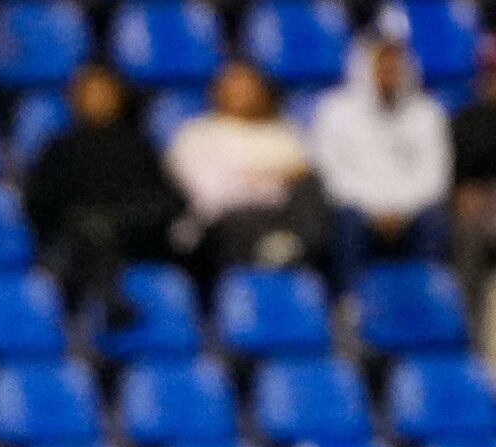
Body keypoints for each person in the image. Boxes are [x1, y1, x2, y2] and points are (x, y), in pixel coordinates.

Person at [25, 62, 185, 330]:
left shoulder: (139, 146)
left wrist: (122, 219)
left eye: (104, 92)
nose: (98, 100)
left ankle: (110, 298)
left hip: (132, 236)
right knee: (90, 232)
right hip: (74, 240)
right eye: (90, 93)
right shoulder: (59, 148)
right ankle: (110, 301)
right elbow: (38, 204)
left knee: (103, 229)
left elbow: (169, 200)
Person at [308, 18, 453, 286]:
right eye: (381, 63)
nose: (389, 70)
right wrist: (375, 211)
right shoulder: (334, 111)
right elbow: (332, 176)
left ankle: (427, 296)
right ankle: (350, 300)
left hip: (412, 212)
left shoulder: (428, 112)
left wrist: (401, 211)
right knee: (345, 221)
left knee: (434, 219)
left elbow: (434, 177)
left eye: (394, 62)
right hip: (357, 210)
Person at [165, 61, 328, 278]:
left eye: (250, 88)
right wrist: (276, 180)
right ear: (217, 92)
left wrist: (261, 179)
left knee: (312, 189)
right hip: (227, 219)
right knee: (237, 218)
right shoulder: (197, 134)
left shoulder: (284, 132)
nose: (244, 94)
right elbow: (210, 192)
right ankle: (278, 251)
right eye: (236, 88)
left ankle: (292, 249)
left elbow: (305, 175)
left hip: (285, 216)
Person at [447, 38, 496, 338]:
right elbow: (454, 175)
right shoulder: (467, 121)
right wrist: (460, 191)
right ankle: (466, 333)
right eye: (491, 72)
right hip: (479, 208)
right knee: (468, 232)